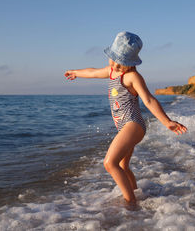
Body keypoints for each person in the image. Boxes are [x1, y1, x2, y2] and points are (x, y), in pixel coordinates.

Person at [64, 31, 187, 205]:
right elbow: (92, 72)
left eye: (120, 63)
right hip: (123, 126)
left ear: (130, 63)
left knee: (109, 163)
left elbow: (149, 100)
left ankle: (130, 202)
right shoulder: (111, 70)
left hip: (133, 125)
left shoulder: (132, 77)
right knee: (122, 166)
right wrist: (76, 72)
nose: (115, 65)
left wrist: (166, 121)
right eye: (113, 59)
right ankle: (136, 194)